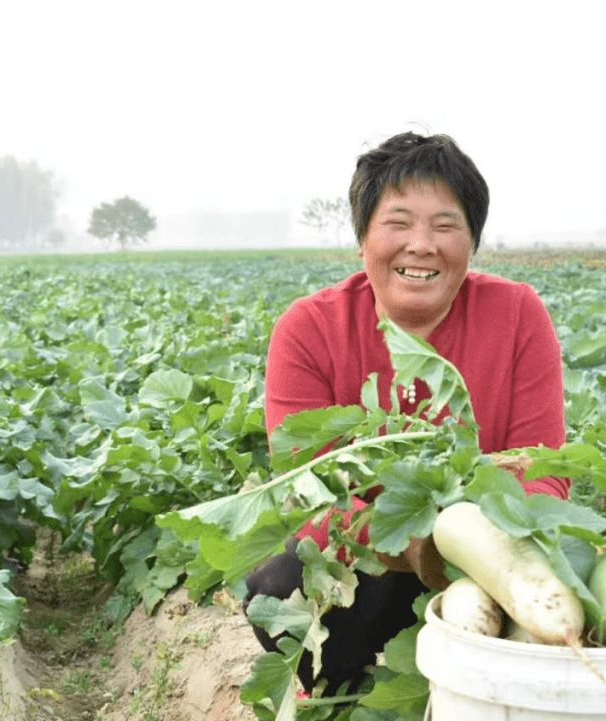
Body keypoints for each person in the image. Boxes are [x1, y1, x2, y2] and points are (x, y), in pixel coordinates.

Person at [243, 130, 567, 696]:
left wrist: (486, 554)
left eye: (446, 226)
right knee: (280, 582)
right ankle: (350, 692)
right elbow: (314, 494)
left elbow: (544, 475)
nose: (422, 245)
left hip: (499, 567)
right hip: (371, 571)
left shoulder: (517, 313)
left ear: (472, 242)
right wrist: (425, 549)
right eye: (397, 223)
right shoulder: (310, 329)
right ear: (363, 238)